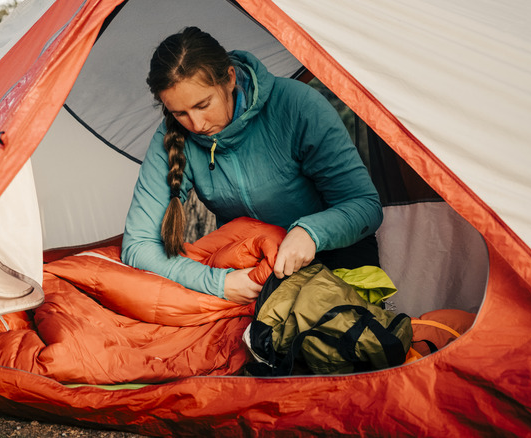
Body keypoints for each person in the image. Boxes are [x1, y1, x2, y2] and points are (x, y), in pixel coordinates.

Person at [121, 27, 382, 304]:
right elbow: (138, 246)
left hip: (334, 253)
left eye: (203, 104)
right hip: (250, 270)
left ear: (230, 78)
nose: (196, 125)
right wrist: (218, 283)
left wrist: (311, 232)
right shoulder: (172, 137)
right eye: (180, 113)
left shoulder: (297, 106)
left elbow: (364, 205)